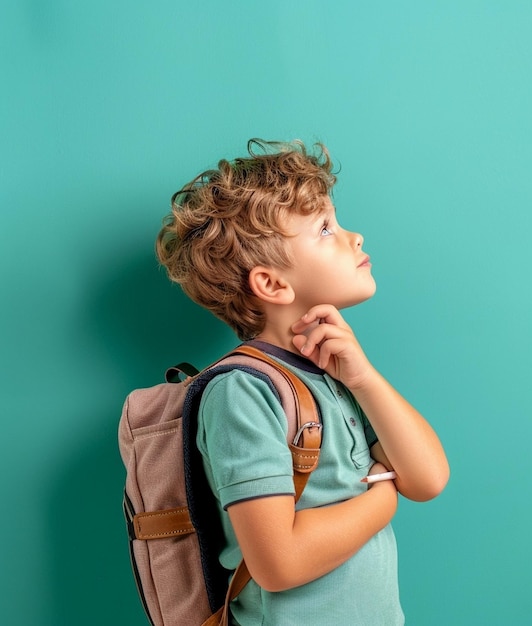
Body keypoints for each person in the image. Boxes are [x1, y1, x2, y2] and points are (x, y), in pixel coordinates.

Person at [156, 139, 449, 625]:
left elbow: (428, 478)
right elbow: (279, 562)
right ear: (272, 285)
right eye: (326, 229)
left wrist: (365, 378)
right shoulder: (243, 391)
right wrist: (381, 498)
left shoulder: (334, 371)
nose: (354, 237)